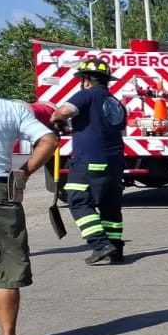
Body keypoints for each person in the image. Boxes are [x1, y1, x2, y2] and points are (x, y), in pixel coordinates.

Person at [0, 97, 60, 335]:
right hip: (1, 192)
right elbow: (49, 140)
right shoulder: (10, 108)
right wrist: (23, 172)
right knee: (6, 269)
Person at [50, 57, 127, 265]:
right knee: (110, 206)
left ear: (85, 80)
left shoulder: (86, 95)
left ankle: (100, 245)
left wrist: (56, 120)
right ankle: (115, 249)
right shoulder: (115, 102)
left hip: (89, 161)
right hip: (115, 162)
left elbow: (63, 112)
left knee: (78, 201)